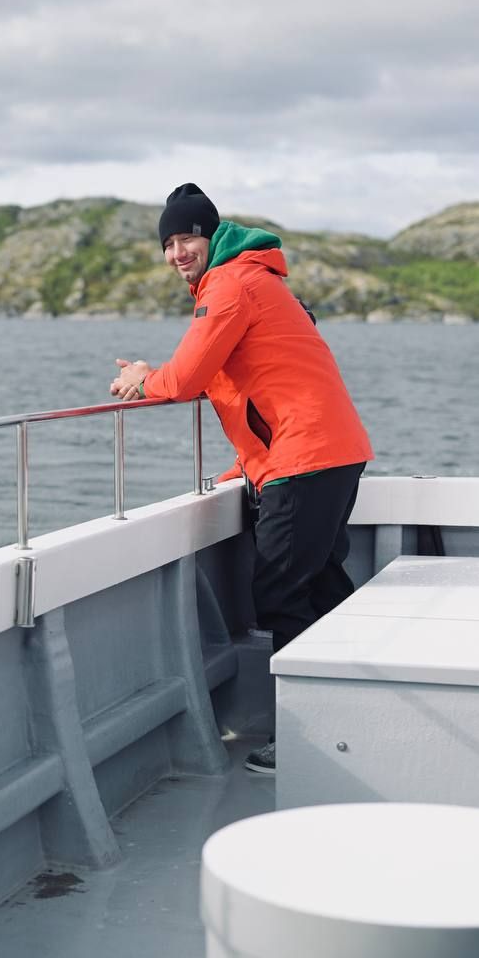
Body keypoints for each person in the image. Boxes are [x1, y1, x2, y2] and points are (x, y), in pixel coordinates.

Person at [110, 182, 374, 774]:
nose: (177, 252)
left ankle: (310, 742)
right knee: (321, 588)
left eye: (187, 238)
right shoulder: (255, 279)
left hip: (303, 460)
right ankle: (353, 720)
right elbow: (252, 379)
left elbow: (185, 380)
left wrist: (141, 380)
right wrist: (245, 464)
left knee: (281, 594)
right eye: (168, 244)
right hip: (325, 454)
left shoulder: (229, 284)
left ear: (211, 236)